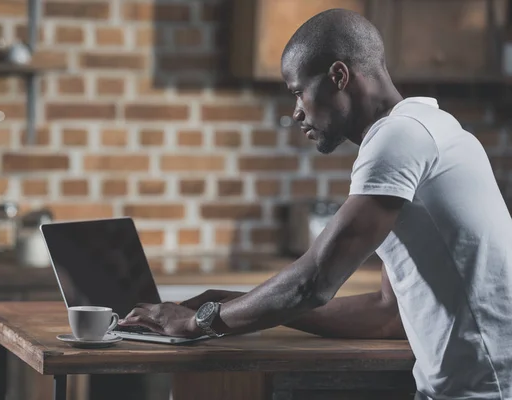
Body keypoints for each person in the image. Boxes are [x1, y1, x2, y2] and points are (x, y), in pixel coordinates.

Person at [118, 8, 512, 400]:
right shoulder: (428, 127)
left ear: (339, 77)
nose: (296, 112)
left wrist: (198, 323)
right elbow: (387, 314)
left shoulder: (399, 137)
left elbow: (314, 281)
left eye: (297, 91)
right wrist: (236, 304)